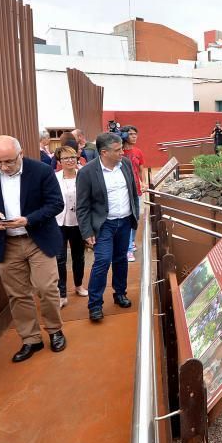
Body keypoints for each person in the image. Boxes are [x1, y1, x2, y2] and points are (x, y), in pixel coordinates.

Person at [0, 135, 66, 362]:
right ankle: (31, 339)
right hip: (7, 242)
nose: (3, 167)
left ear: (20, 154)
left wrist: (28, 220)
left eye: (9, 161)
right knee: (17, 294)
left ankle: (55, 330)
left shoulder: (41, 170)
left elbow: (55, 204)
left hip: (38, 238)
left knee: (46, 288)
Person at [76, 132, 140, 322]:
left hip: (125, 222)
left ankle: (120, 293)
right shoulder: (87, 172)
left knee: (121, 259)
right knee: (102, 261)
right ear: (104, 152)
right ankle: (95, 305)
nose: (122, 152)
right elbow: (82, 205)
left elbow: (132, 191)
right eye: (118, 150)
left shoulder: (126, 165)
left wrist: (135, 214)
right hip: (104, 225)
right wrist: (86, 231)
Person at [54, 145, 88, 308]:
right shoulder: (55, 177)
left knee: (78, 256)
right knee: (60, 258)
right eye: (66, 158)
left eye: (73, 157)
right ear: (59, 161)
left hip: (78, 222)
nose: (70, 160)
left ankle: (79, 285)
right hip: (59, 222)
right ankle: (61, 293)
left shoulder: (83, 175)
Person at [121, 125, 146, 262]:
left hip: (136, 189)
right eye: (131, 134)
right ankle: (128, 248)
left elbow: (141, 169)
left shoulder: (138, 151)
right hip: (125, 191)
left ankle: (131, 242)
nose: (134, 136)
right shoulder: (119, 151)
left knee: (135, 218)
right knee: (128, 218)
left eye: (135, 134)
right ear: (124, 135)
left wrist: (143, 183)